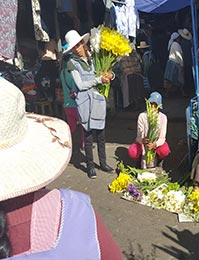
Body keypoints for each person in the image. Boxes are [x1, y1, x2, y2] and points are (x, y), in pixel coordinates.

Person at [0, 77, 123, 259]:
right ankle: (92, 165)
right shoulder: (74, 211)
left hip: (91, 108)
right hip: (79, 107)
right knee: (87, 138)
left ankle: (99, 164)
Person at [63, 30, 114, 179]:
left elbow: (107, 72)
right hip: (84, 101)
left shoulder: (95, 59)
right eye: (74, 47)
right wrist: (99, 80)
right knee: (89, 135)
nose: (77, 49)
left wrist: (110, 75)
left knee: (101, 134)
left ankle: (103, 163)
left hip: (97, 100)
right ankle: (90, 166)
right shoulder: (72, 63)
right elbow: (80, 84)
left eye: (79, 45)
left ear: (83, 43)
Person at [128, 92, 170, 168]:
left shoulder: (163, 117)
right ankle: (138, 160)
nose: (153, 107)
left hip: (156, 143)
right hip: (144, 143)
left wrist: (155, 144)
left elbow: (162, 137)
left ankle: (160, 159)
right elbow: (138, 136)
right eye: (151, 104)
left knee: (165, 150)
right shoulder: (142, 116)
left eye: (155, 105)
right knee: (132, 151)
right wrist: (142, 140)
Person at [163, 32, 184, 97]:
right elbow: (178, 55)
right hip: (175, 64)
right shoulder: (176, 45)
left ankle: (167, 93)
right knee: (178, 80)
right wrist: (182, 65)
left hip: (171, 63)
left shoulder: (172, 44)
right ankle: (182, 93)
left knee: (170, 80)